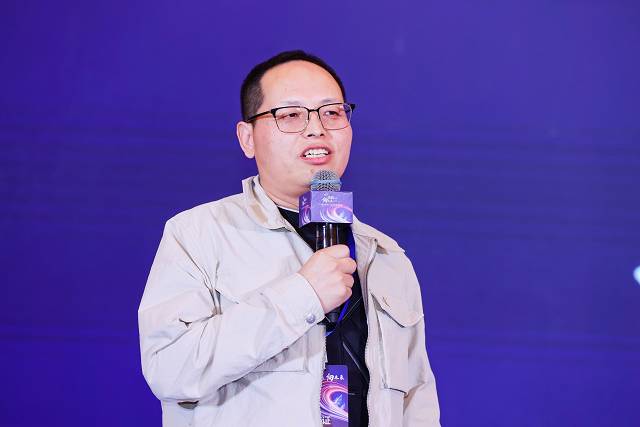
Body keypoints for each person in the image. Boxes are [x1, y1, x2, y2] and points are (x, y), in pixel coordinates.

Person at [138, 50, 440, 426]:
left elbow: (417, 401)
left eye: (332, 112)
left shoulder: (386, 256)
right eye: (291, 115)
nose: (317, 129)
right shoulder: (198, 234)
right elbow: (170, 369)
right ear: (247, 138)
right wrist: (303, 295)